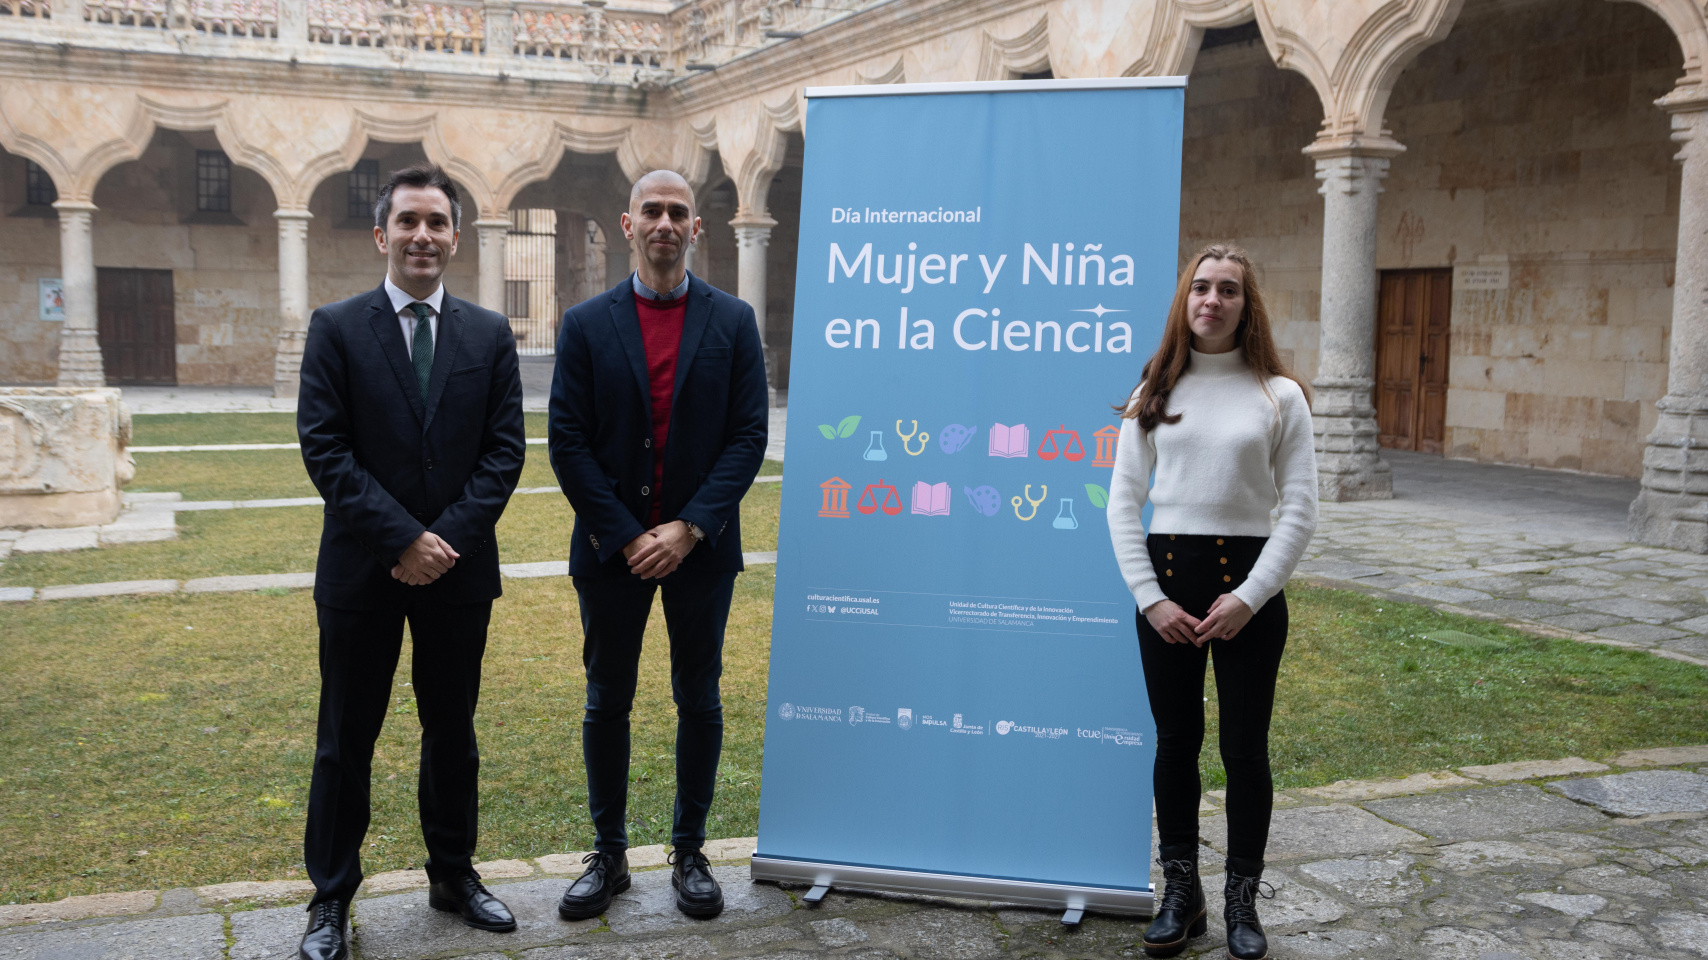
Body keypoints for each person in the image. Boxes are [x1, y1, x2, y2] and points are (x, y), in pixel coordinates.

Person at [295, 162, 527, 960]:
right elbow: (324, 450)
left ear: (456, 238)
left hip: (458, 573)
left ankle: (454, 876)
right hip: (363, 572)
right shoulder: (335, 327)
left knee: (452, 731)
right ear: (381, 234)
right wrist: (401, 539)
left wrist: (441, 543)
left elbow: (504, 455)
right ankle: (329, 898)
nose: (422, 236)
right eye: (408, 223)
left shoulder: (490, 335)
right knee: (344, 738)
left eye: (436, 224)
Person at [547, 170, 768, 920]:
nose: (666, 223)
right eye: (653, 211)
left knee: (698, 698)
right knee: (607, 699)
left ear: (697, 229)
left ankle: (690, 851)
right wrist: (626, 532)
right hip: (614, 550)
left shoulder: (734, 321)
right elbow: (567, 442)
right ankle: (607, 856)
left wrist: (690, 525)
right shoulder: (585, 323)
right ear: (628, 223)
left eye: (679, 212)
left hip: (699, 549)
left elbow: (748, 438)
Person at [1106, 244, 1318, 960]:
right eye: (1201, 287)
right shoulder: (1154, 392)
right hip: (1165, 587)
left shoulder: (1279, 395)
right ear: (1184, 300)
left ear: (1245, 305)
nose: (1213, 300)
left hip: (1249, 593)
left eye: (1228, 289)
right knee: (1175, 744)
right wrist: (1151, 600)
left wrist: (1251, 599)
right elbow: (1122, 506)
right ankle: (1182, 893)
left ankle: (1241, 902)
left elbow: (1299, 512)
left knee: (1244, 749)